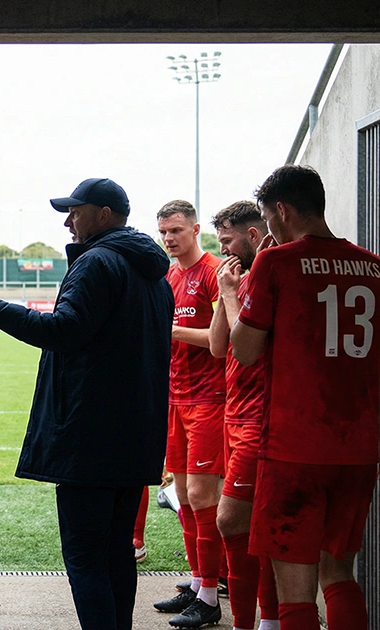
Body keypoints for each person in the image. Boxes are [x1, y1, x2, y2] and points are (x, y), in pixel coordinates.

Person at [0, 177, 172, 630]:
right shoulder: (153, 272)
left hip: (90, 436)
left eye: (76, 210)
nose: (68, 220)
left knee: (85, 554)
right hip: (136, 433)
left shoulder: (97, 261)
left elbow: (64, 331)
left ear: (105, 215)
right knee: (117, 550)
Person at [231, 166, 380, 630]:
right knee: (339, 572)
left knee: (295, 589)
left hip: (293, 450)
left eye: (267, 218)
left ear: (282, 211)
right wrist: (367, 435)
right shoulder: (378, 268)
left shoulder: (277, 263)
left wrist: (247, 286)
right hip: (357, 449)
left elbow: (244, 352)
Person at [153, 199, 227, 627]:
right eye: (163, 232)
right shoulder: (169, 275)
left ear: (196, 229)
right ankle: (199, 583)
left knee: (202, 496)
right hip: (174, 399)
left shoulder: (215, 273)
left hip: (208, 398)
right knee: (182, 497)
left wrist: (171, 329)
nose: (169, 239)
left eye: (176, 231)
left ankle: (211, 596)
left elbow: (224, 335)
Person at [206, 201, 279, 630]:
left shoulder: (266, 279)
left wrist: (231, 294)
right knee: (248, 526)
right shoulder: (241, 280)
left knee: (231, 519)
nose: (224, 251)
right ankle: (255, 622)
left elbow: (246, 351)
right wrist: (224, 294)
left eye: (228, 240)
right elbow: (219, 347)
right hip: (234, 416)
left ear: (253, 237)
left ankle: (254, 622)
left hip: (258, 419)